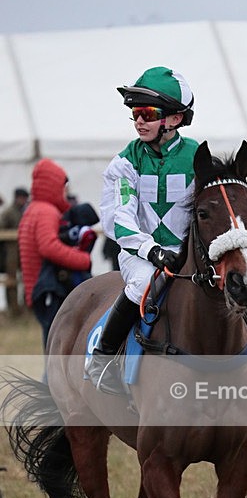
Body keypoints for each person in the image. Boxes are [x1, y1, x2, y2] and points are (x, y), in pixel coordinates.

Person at [86, 66, 198, 394]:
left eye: (147, 113)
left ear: (174, 119)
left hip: (186, 254)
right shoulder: (124, 162)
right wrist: (152, 250)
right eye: (135, 113)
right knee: (145, 282)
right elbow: (120, 221)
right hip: (142, 256)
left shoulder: (197, 157)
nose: (139, 121)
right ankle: (103, 357)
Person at [18, 160, 94, 348]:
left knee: (51, 341)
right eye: (63, 187)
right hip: (47, 288)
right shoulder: (47, 211)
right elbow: (48, 247)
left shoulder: (32, 209)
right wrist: (83, 260)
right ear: (53, 186)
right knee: (56, 345)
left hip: (36, 287)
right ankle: (51, 378)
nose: (65, 192)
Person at [0, 187, 29, 315]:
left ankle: (26, 307)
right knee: (11, 280)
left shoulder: (26, 211)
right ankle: (13, 308)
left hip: (24, 249)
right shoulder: (9, 212)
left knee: (26, 278)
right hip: (10, 252)